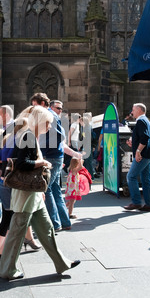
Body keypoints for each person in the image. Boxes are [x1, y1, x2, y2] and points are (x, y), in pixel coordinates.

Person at [0, 105, 80, 280]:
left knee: (46, 229)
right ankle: (6, 269)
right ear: (39, 121)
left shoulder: (26, 133)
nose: (49, 127)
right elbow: (22, 163)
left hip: (31, 192)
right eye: (47, 123)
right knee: (17, 231)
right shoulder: (27, 135)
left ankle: (62, 263)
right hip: (26, 192)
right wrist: (43, 164)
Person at [0, 105, 40, 265]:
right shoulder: (20, 140)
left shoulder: (8, 138)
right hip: (12, 183)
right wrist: (41, 162)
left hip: (3, 182)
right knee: (14, 219)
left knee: (8, 217)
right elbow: (23, 163)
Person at [39, 99, 82, 231]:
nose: (60, 111)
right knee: (55, 190)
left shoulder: (50, 117)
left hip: (50, 157)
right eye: (58, 108)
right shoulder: (54, 118)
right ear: (51, 106)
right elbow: (61, 143)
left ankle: (55, 223)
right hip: (55, 157)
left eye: (61, 108)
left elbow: (59, 140)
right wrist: (75, 153)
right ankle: (65, 222)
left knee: (47, 189)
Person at [124, 103, 150, 212]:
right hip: (148, 154)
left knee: (131, 176)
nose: (132, 112)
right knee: (146, 179)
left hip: (143, 155)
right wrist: (133, 143)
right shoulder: (145, 120)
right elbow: (143, 136)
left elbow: (145, 137)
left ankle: (136, 202)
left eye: (133, 110)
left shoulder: (141, 121)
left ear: (139, 110)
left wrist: (138, 151)